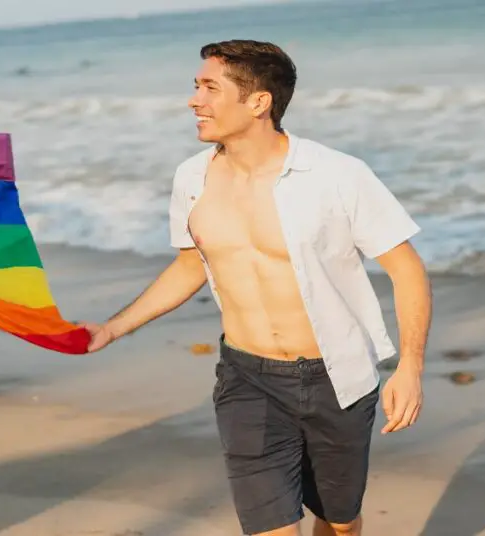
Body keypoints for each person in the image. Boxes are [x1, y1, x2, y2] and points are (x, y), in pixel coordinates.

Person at [80, 39, 432, 536]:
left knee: (339, 522)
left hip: (338, 378)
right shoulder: (192, 179)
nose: (193, 100)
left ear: (258, 102)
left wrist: (411, 366)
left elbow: (407, 269)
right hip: (248, 378)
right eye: (195, 87)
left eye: (209, 87)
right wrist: (112, 329)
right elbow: (191, 265)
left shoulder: (336, 175)